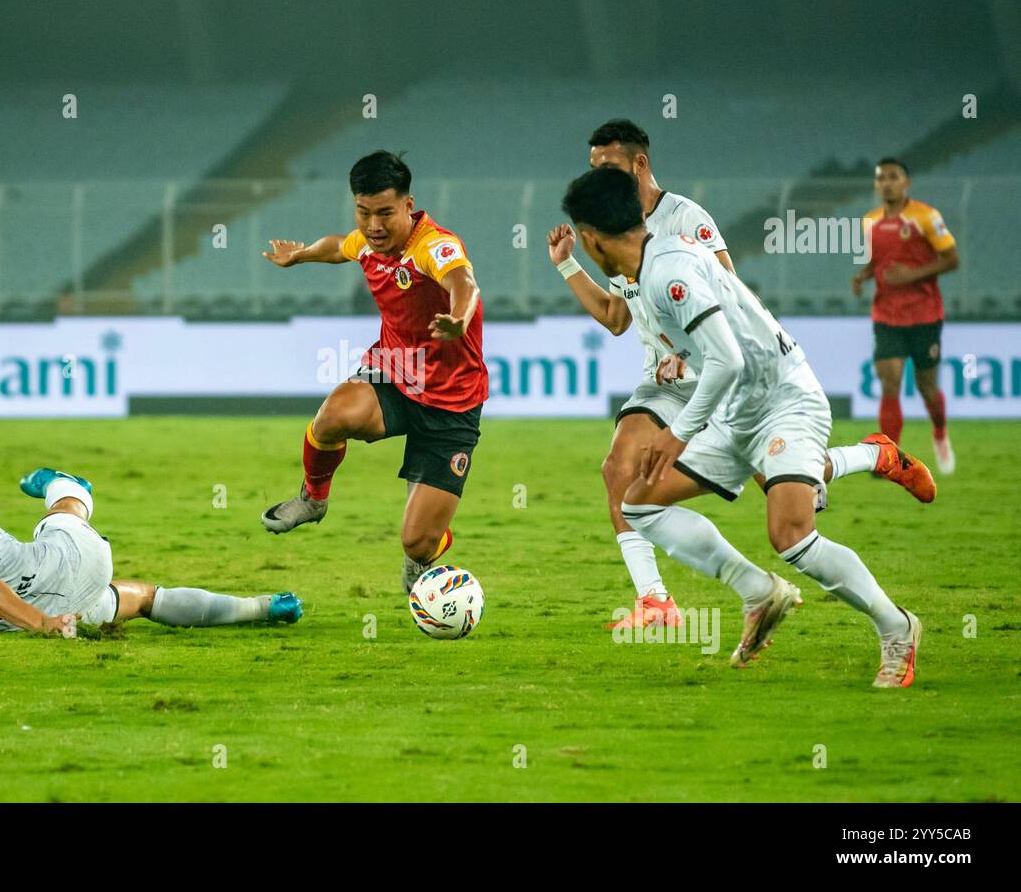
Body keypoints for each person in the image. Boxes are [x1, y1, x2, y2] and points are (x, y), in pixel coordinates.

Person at [549, 120, 934, 630]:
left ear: (639, 164)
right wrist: (568, 267)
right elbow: (619, 317)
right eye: (593, 168)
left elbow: (728, 292)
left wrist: (695, 347)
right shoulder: (619, 234)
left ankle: (869, 456)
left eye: (609, 167)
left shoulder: (682, 220)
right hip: (669, 376)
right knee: (624, 473)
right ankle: (657, 600)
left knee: (787, 492)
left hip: (732, 371)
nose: (600, 176)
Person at [259, 151, 487, 593]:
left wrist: (460, 316)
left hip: (452, 402)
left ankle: (424, 554)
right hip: (395, 371)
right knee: (331, 418)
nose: (374, 225)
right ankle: (313, 500)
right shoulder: (367, 240)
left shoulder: (433, 245)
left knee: (417, 542)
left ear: (408, 205)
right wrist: (301, 255)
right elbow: (339, 245)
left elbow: (463, 281)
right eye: (364, 213)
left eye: (385, 213)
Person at [0, 456, 303, 634]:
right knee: (60, 517)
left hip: (60, 616)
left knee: (145, 599)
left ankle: (264, 608)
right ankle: (63, 484)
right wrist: (43, 625)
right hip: (61, 577)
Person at [854, 157, 960, 473]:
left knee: (927, 387)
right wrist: (864, 276)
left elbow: (952, 259)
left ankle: (940, 433)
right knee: (890, 384)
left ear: (905, 183)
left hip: (925, 314)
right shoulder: (869, 221)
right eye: (880, 178)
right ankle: (891, 459)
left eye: (893, 176)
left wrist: (911, 275)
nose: (886, 182)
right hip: (886, 315)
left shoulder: (926, 216)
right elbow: (880, 263)